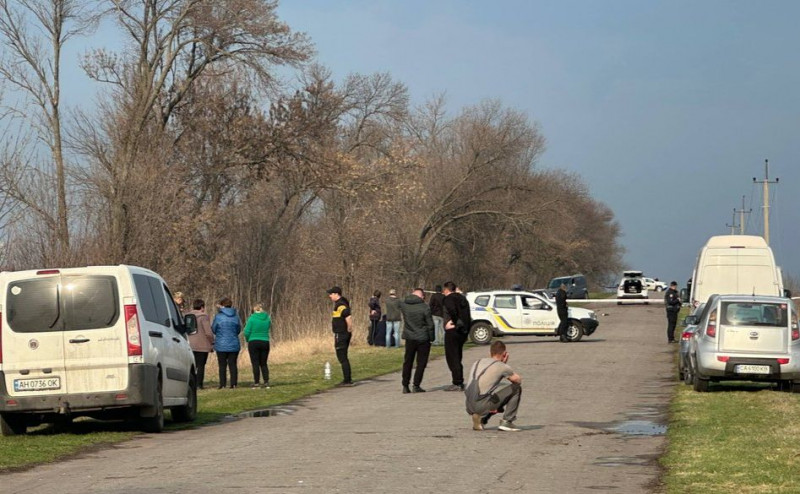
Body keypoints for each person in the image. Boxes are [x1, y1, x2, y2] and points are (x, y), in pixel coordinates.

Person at [465, 340, 523, 432]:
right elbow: (518, 380)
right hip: (482, 405)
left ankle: (481, 419)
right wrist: (504, 364)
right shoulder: (501, 366)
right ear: (505, 354)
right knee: (516, 388)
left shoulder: (477, 362)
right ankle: (507, 421)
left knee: (492, 397)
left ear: (490, 353)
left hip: (469, 405)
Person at [399, 288, 435, 393]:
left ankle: (405, 385)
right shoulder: (425, 307)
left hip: (409, 337)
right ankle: (416, 384)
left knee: (408, 361)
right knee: (421, 363)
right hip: (423, 337)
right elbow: (430, 325)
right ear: (422, 296)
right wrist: (432, 338)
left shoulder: (404, 305)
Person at [443, 281, 471, 391]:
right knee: (458, 355)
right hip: (463, 331)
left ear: (446, 290)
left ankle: (457, 382)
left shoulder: (449, 299)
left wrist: (455, 322)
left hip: (453, 330)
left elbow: (452, 310)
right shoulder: (463, 299)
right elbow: (467, 314)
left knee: (452, 356)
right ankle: (459, 380)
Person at [212, 297, 242, 389]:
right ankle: (233, 384)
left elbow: (213, 329)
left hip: (221, 344)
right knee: (233, 364)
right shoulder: (236, 316)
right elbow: (238, 329)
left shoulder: (218, 317)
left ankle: (222, 384)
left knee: (222, 365)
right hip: (234, 344)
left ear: (222, 305)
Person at [327, 286, 354, 386]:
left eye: (331, 294)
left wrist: (349, 328)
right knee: (343, 357)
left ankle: (347, 380)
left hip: (341, 334)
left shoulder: (341, 305)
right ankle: (347, 379)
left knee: (342, 357)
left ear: (336, 294)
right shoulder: (340, 303)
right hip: (341, 333)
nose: (330, 296)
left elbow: (348, 317)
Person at [187, 298, 214, 389]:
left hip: (190, 344)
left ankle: (191, 384)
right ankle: (199, 384)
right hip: (202, 345)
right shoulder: (204, 316)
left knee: (191, 366)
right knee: (201, 366)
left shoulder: (187, 316)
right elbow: (208, 333)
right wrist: (212, 342)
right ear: (202, 307)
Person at [244, 303, 272, 388]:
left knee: (255, 363)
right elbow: (268, 327)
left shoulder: (251, 319)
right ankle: (266, 381)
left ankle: (256, 382)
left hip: (253, 341)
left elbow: (246, 331)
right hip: (265, 341)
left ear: (254, 310)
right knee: (263, 363)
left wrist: (248, 339)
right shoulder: (267, 318)